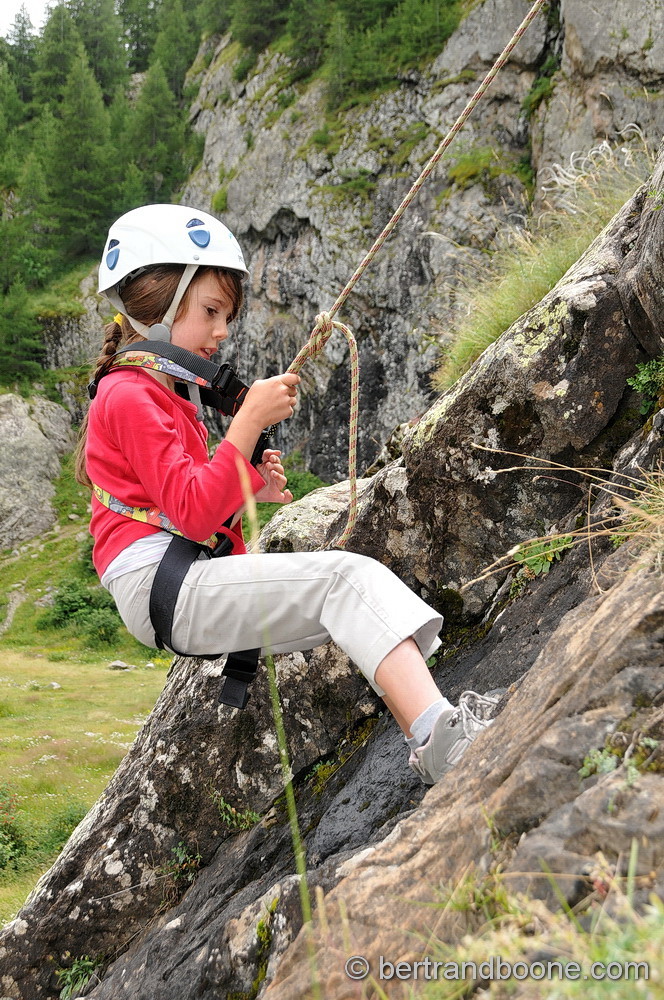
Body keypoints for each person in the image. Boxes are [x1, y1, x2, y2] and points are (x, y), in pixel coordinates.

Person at [76, 203, 498, 786]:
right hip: (159, 579)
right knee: (346, 581)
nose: (222, 331)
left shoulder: (162, 394)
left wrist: (253, 484)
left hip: (167, 576)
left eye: (227, 315)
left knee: (344, 595)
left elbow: (188, 497)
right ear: (159, 305)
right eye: (210, 311)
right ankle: (438, 738)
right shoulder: (127, 395)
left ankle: (433, 737)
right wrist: (246, 423)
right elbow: (193, 513)